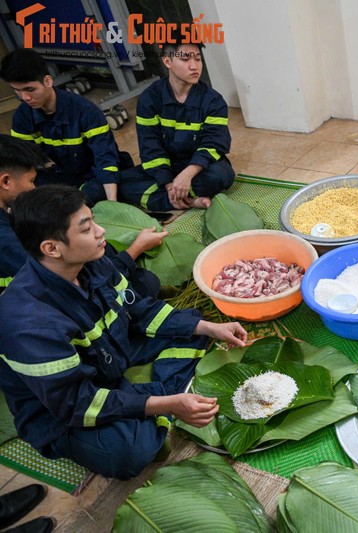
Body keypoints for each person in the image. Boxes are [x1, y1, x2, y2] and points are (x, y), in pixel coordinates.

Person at [0, 185, 248, 480]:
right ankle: (160, 398)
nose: (100, 231)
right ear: (51, 248)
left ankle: (145, 399)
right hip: (61, 410)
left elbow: (139, 310)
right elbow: (77, 403)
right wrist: (166, 404)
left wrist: (210, 327)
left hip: (108, 353)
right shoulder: (29, 324)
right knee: (130, 452)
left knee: (191, 325)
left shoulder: (92, 262)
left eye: (94, 220)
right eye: (86, 228)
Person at [0, 134, 163, 298]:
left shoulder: (11, 213)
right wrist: (135, 249)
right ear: (5, 181)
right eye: (31, 181)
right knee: (146, 283)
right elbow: (83, 281)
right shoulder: (9, 241)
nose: (101, 231)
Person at [0, 49, 130, 205]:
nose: (25, 98)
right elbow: (22, 164)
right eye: (17, 91)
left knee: (108, 185)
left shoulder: (86, 111)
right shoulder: (22, 117)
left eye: (30, 89)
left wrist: (113, 204)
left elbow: (105, 159)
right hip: (63, 175)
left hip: (93, 175)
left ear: (48, 81)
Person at [119, 42, 234, 211]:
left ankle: (168, 200)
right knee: (122, 183)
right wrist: (167, 184)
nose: (194, 66)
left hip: (198, 167)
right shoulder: (150, 98)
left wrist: (187, 175)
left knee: (221, 176)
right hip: (167, 166)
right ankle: (189, 200)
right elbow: (150, 146)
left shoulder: (213, 100)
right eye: (186, 59)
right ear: (167, 62)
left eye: (198, 59)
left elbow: (214, 143)